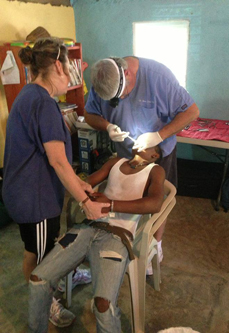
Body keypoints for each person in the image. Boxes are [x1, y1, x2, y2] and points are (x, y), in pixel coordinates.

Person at [2, 37, 109, 328]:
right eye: (72, 70)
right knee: (41, 257)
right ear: (58, 68)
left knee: (45, 245)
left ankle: (60, 280)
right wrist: (86, 202)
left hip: (30, 192)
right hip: (33, 199)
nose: (74, 79)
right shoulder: (44, 105)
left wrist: (79, 184)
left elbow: (57, 160)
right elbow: (58, 162)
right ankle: (44, 302)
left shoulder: (30, 94)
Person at [28, 145, 165, 333]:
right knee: (38, 279)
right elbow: (84, 184)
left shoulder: (155, 170)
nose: (139, 141)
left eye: (147, 142)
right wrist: (83, 189)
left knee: (103, 304)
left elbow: (155, 203)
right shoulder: (115, 162)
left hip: (117, 237)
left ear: (154, 155)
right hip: (87, 228)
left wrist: (110, 204)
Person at [84, 56, 200, 273]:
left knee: (154, 204)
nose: (121, 101)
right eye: (114, 101)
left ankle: (154, 245)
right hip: (124, 154)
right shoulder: (103, 78)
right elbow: (89, 114)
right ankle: (125, 239)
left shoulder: (159, 78)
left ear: (127, 74)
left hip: (160, 148)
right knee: (129, 196)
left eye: (123, 95)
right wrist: (107, 125)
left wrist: (159, 135)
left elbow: (192, 112)